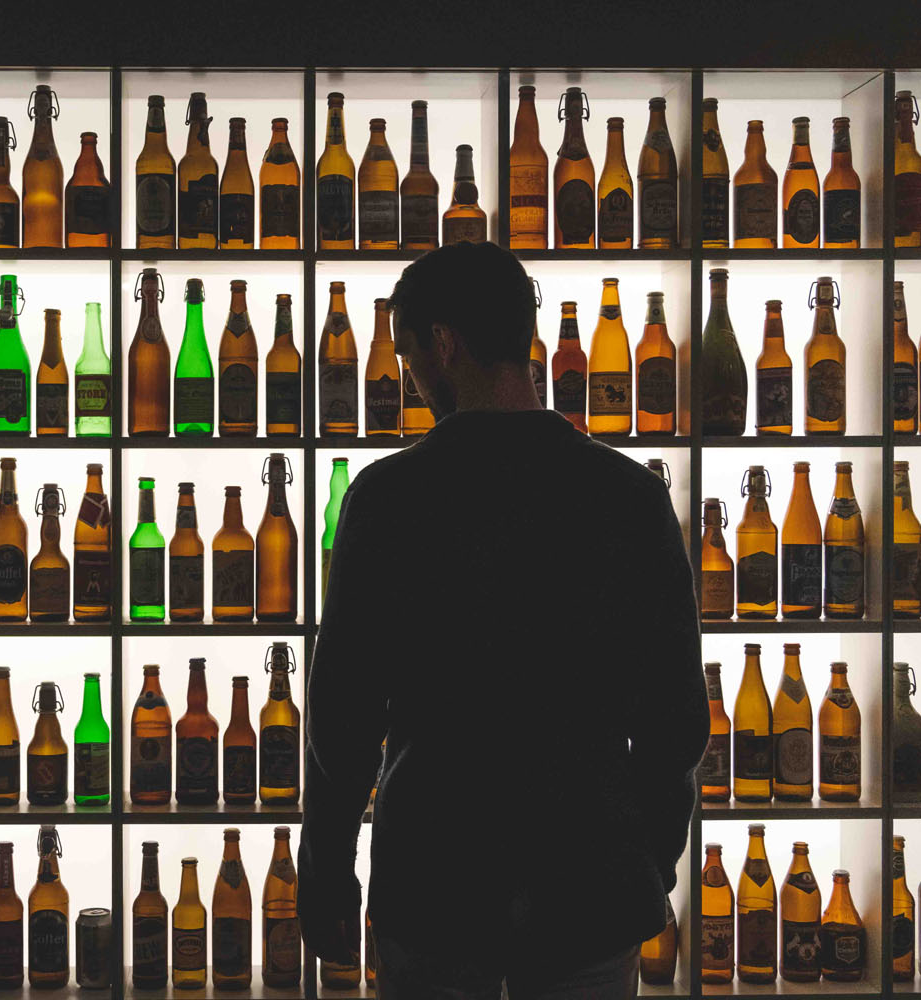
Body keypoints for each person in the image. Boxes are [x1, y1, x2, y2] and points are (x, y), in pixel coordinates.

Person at [299, 241, 708, 999]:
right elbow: (678, 719)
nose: (408, 374)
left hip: (433, 886)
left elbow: (342, 723)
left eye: (407, 351)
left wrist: (328, 879)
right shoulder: (629, 498)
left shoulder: (389, 500)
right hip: (588, 887)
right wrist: (645, 860)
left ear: (444, 343)